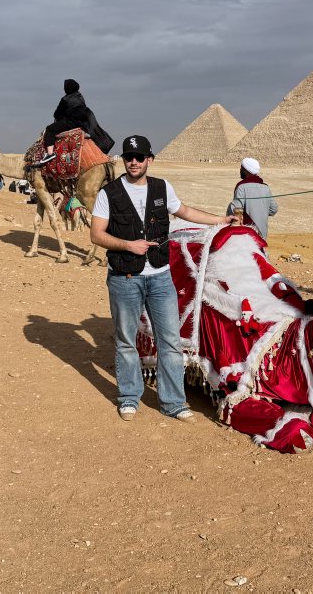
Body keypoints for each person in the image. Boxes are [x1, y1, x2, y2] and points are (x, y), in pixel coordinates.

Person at [90, 135, 236, 422]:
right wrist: (128, 245)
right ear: (124, 159)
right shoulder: (109, 193)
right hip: (125, 277)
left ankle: (173, 402)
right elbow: (96, 234)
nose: (134, 162)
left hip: (160, 277)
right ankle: (129, 397)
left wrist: (221, 220)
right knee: (125, 340)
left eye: (139, 157)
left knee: (169, 340)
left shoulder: (161, 187)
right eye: (129, 157)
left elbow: (186, 212)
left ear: (149, 160)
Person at [33, 78, 114, 166]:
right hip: (83, 123)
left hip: (71, 123)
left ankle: (50, 154)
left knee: (50, 129)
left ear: (67, 88)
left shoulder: (65, 99)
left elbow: (57, 114)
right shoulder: (80, 96)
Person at [228, 157, 277, 240]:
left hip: (246, 233)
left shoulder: (242, 187)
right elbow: (273, 210)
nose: (240, 170)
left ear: (246, 170)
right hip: (262, 234)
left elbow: (235, 210)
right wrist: (260, 211)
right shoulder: (265, 187)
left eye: (241, 168)